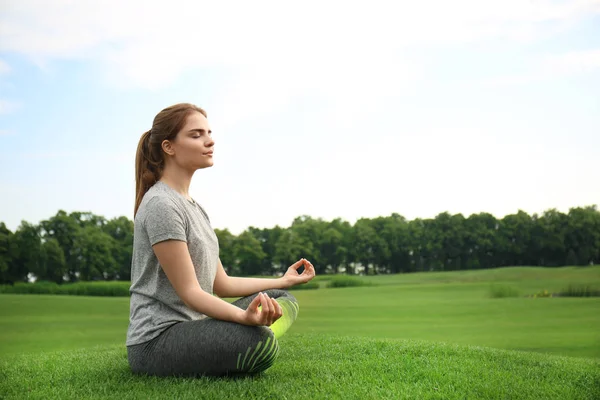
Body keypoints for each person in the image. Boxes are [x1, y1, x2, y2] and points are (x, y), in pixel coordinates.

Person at [126, 103, 316, 377]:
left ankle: (247, 333)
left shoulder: (194, 207)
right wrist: (242, 318)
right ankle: (253, 335)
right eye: (196, 134)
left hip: (195, 325)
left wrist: (282, 279)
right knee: (259, 344)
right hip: (157, 341)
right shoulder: (161, 204)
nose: (209, 140)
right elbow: (191, 293)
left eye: (209, 132)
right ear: (169, 147)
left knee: (281, 297)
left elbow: (222, 284)